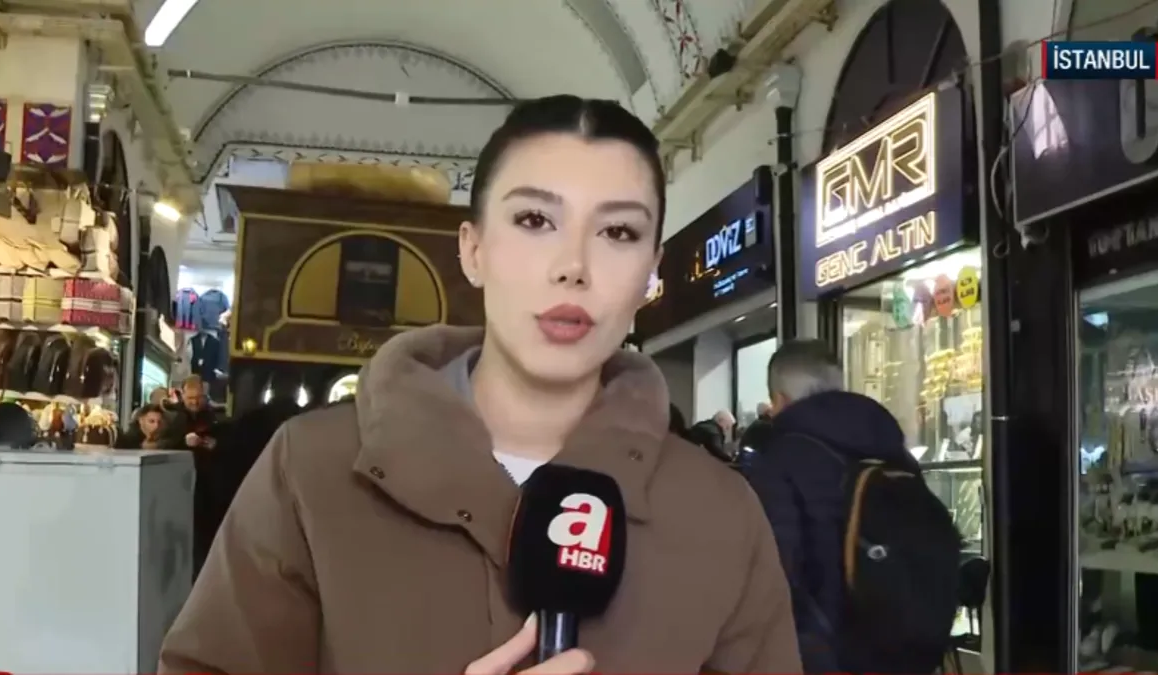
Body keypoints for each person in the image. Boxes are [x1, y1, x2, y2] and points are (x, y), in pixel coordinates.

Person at [159, 95, 800, 674]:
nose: (573, 267)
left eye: (618, 232)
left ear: (650, 275)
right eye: (535, 220)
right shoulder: (312, 471)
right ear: (473, 250)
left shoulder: (720, 514)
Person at [739, 340, 954, 674]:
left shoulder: (780, 461)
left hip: (827, 657)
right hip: (904, 651)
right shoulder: (892, 451)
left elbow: (778, 574)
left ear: (779, 400)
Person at [161, 375, 221, 576]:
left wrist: (215, 445)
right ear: (182, 395)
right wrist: (183, 443)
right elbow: (161, 447)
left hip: (207, 488)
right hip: (178, 487)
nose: (194, 402)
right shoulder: (171, 418)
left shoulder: (214, 417)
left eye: (198, 398)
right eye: (190, 398)